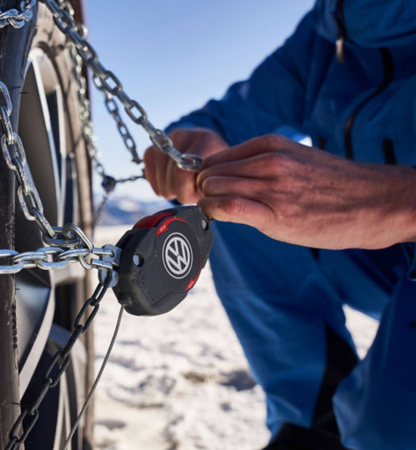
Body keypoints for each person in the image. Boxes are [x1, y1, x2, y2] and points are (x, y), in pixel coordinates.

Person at [143, 1, 416, 449]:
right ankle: (312, 423)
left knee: (387, 431)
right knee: (235, 203)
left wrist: (398, 202)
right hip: (374, 259)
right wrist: (193, 141)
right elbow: (225, 117)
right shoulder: (330, 32)